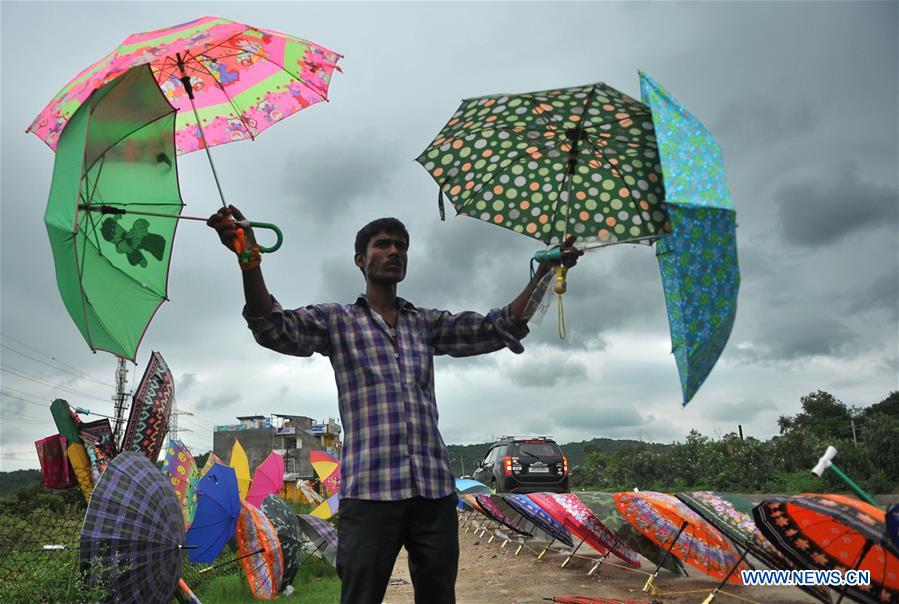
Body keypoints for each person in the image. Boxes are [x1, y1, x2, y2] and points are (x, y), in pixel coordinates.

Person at [208, 205, 582, 603]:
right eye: (382, 244)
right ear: (360, 259)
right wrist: (250, 263)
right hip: (370, 492)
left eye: (400, 246)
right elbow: (273, 328)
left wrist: (543, 275)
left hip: (433, 493)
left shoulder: (425, 323)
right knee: (360, 597)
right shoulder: (338, 321)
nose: (393, 251)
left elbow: (497, 328)